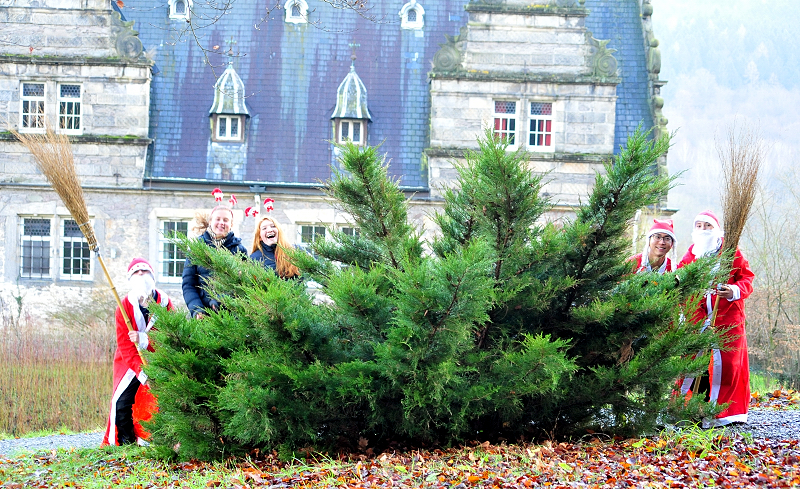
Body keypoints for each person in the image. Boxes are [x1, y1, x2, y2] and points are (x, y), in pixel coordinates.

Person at [677, 210, 755, 427]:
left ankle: (722, 412)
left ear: (716, 229)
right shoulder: (692, 254)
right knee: (693, 363)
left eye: (708, 226)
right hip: (698, 318)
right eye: (699, 226)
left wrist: (733, 290)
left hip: (727, 318)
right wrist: (691, 312)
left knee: (728, 365)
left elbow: (747, 278)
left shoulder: (731, 253)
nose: (703, 230)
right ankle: (689, 409)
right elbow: (682, 282)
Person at [102, 258, 173, 446]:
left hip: (159, 358)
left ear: (152, 276)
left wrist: (144, 339)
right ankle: (126, 441)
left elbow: (171, 336)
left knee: (162, 400)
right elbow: (125, 345)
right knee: (122, 402)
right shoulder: (123, 306)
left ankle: (160, 440)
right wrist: (141, 371)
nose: (140, 274)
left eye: (144, 271)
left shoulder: (165, 303)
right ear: (130, 278)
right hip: (130, 362)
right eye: (136, 272)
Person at [182, 205, 248, 319]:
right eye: (218, 219)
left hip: (231, 317)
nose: (221, 223)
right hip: (202, 316)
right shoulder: (196, 248)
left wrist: (221, 300)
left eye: (226, 220)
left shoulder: (239, 250)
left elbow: (243, 286)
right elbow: (188, 284)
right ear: (210, 221)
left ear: (231, 225)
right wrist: (197, 309)